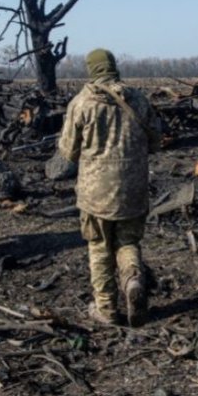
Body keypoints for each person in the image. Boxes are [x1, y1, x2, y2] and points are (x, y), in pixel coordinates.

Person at [58, 48, 162, 326]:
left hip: (96, 194)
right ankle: (132, 281)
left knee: (99, 247)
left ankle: (106, 309)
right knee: (128, 242)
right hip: (133, 189)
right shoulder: (138, 99)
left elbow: (68, 151)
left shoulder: (82, 103)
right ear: (114, 66)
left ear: (91, 69)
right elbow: (156, 140)